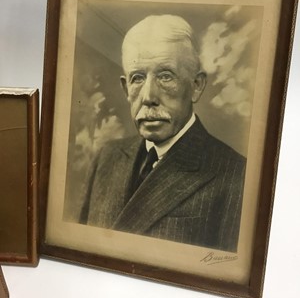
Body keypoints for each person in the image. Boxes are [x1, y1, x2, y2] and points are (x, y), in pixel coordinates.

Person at [80, 14, 246, 252]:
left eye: (165, 76)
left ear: (196, 86)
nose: (148, 97)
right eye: (137, 78)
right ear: (126, 88)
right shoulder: (106, 157)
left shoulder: (235, 177)